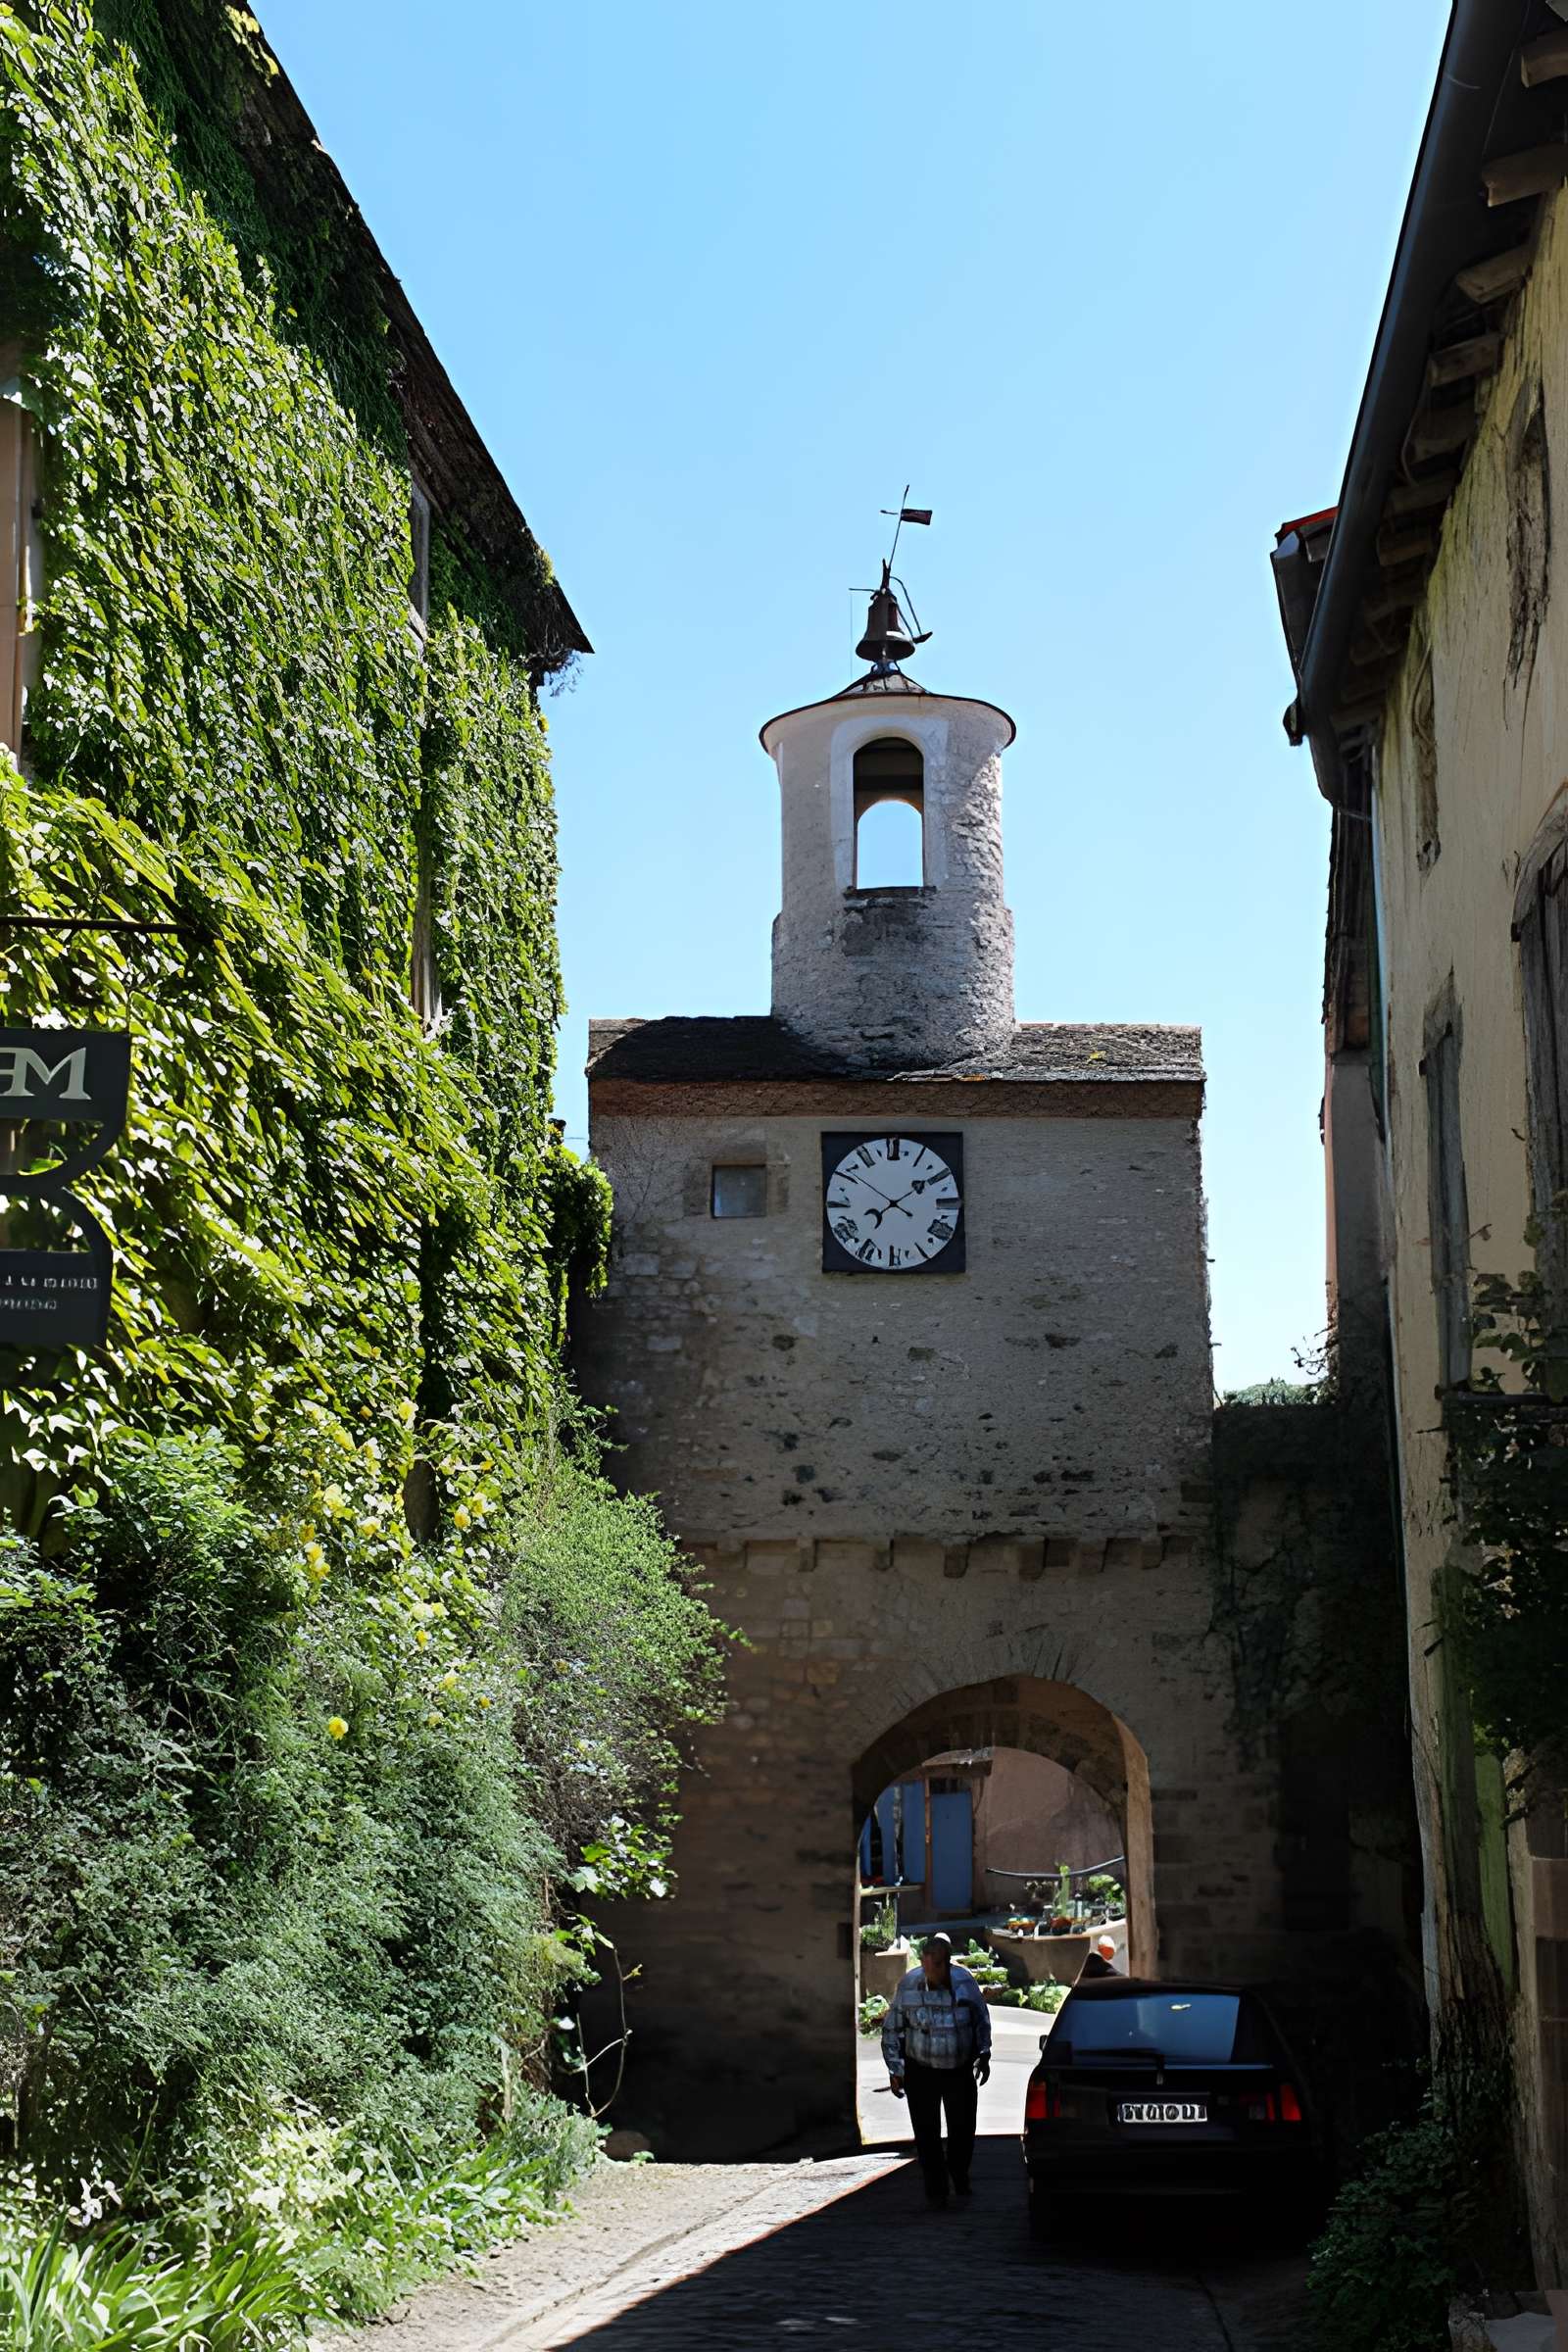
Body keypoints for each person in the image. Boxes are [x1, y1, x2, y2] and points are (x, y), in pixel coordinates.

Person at [880, 1930, 992, 2207]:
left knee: (962, 2129)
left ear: (948, 1963)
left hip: (958, 2068)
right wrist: (896, 2069)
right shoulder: (909, 1986)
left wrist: (984, 2053)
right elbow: (891, 2029)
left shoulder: (965, 1983)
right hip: (922, 2069)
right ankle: (936, 2189)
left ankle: (959, 2173)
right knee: (926, 2133)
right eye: (926, 1964)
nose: (930, 1971)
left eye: (937, 1965)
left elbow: (981, 2019)